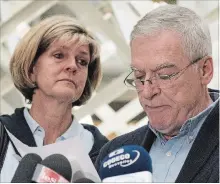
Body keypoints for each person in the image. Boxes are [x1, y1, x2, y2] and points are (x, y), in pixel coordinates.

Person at [95, 5, 219, 183]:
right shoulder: (114, 153)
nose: (147, 92)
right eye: (139, 76)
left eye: (164, 75)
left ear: (205, 70)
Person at [0, 15, 108, 182]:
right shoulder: (3, 134)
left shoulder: (104, 152)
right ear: (31, 69)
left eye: (82, 61)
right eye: (59, 55)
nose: (73, 66)